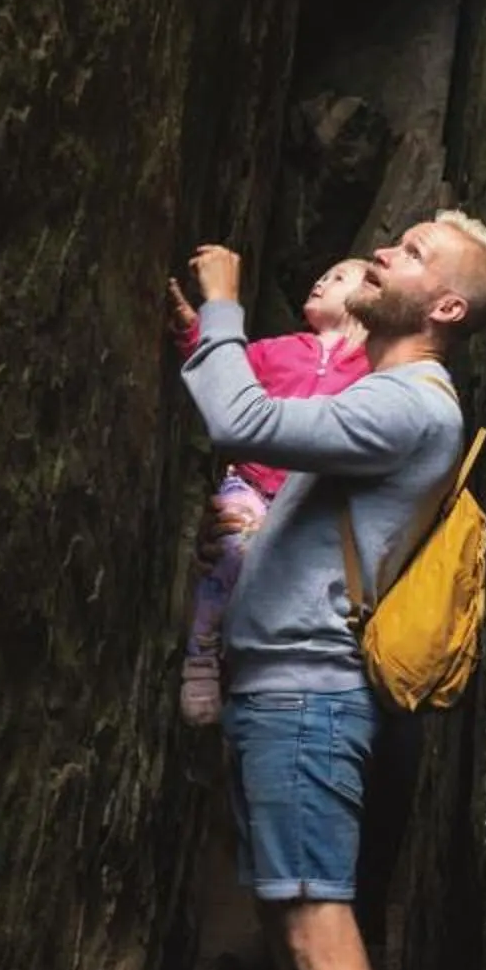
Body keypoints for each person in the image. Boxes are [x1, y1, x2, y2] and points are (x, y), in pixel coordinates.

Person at [173, 210, 486, 970]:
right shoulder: (386, 394)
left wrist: (224, 296)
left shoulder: (407, 404)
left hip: (311, 698)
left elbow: (237, 415)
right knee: (297, 923)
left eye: (413, 255)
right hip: (289, 688)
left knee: (323, 929)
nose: (384, 255)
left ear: (448, 308)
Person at [168, 260, 372, 727]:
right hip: (254, 484)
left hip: (309, 501)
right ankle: (201, 655)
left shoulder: (375, 370)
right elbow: (226, 370)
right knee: (231, 544)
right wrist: (191, 329)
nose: (320, 279)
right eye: (322, 273)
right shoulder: (283, 350)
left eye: (339, 277)